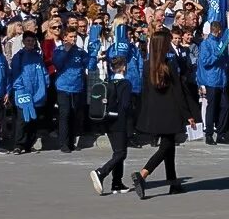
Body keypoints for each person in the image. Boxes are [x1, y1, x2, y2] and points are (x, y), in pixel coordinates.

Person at [131, 28, 196, 200]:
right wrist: (188, 114)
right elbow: (178, 92)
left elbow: (145, 93)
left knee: (169, 146)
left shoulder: (147, 66)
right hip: (170, 112)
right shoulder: (169, 65)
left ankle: (173, 183)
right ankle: (143, 174)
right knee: (166, 146)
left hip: (154, 112)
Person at [89, 56, 133, 196]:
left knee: (118, 152)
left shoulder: (108, 82)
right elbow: (125, 105)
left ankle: (117, 183)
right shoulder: (125, 83)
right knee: (121, 153)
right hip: (120, 121)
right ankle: (101, 172)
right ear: (124, 67)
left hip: (108, 120)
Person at [9, 29, 48, 154]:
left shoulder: (38, 56)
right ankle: (18, 145)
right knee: (22, 120)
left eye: (32, 41)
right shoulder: (18, 57)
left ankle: (29, 144)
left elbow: (44, 72)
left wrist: (46, 84)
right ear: (23, 42)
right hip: (23, 93)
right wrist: (20, 89)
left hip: (37, 93)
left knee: (33, 120)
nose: (30, 43)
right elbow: (15, 75)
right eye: (28, 41)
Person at [52, 27, 89, 153]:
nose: (73, 39)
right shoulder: (59, 50)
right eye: (71, 37)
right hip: (63, 87)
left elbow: (89, 64)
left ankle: (71, 141)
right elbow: (57, 64)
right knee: (65, 114)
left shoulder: (80, 51)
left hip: (77, 87)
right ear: (65, 38)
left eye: (75, 37)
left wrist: (93, 53)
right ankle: (64, 143)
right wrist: (66, 52)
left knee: (74, 115)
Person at [196, 21, 229, 145]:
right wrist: (217, 54)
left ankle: (221, 133)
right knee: (212, 107)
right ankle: (209, 134)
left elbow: (224, 59)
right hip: (211, 79)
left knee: (225, 106)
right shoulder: (206, 44)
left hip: (221, 80)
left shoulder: (220, 43)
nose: (219, 32)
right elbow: (205, 61)